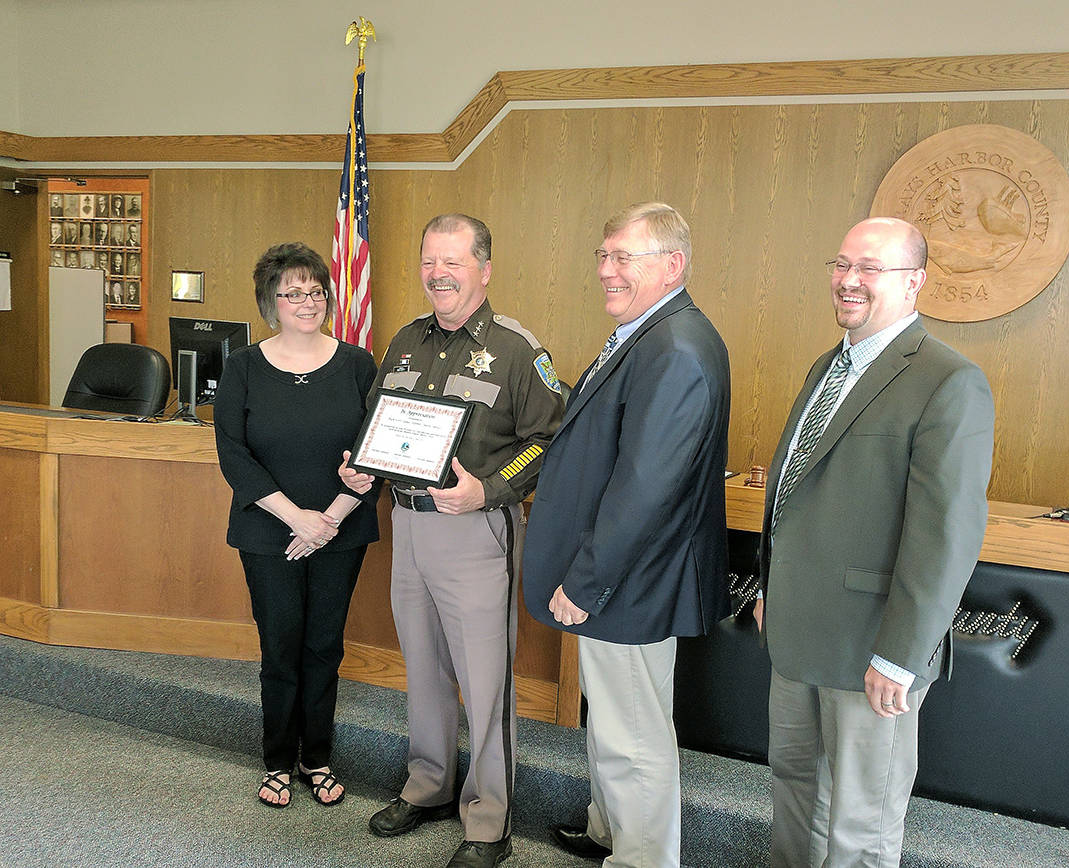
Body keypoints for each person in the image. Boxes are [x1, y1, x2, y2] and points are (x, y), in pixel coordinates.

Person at [757, 217, 994, 868]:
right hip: (800, 633)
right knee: (794, 799)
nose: (849, 280)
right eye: (841, 265)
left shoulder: (947, 380)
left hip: (874, 650)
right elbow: (798, 492)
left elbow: (945, 535)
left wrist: (901, 655)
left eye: (870, 268)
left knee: (860, 826)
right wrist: (773, 592)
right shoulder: (826, 367)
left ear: (915, 282)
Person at [339, 213, 564, 868]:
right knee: (425, 668)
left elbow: (552, 439)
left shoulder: (519, 350)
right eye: (429, 260)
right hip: (406, 525)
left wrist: (489, 490)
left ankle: (489, 821)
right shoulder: (406, 341)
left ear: (484, 271)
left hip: (474, 530)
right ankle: (430, 783)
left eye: (453, 262)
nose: (438, 273)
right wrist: (361, 463)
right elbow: (380, 425)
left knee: (484, 680)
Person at [522, 202, 731, 867]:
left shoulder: (676, 347)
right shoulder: (651, 333)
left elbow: (646, 487)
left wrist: (585, 579)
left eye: (624, 258)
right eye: (603, 256)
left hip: (627, 582)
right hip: (622, 578)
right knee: (612, 724)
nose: (607, 271)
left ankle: (641, 859)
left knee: (634, 737)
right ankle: (609, 829)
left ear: (672, 265)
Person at [214, 242, 380, 810]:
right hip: (269, 534)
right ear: (271, 303)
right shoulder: (242, 366)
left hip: (342, 529)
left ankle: (318, 758)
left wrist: (329, 520)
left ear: (329, 297)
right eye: (292, 293)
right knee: (280, 646)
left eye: (315, 291)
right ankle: (278, 761)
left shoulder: (359, 364)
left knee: (323, 647)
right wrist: (297, 519)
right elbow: (233, 455)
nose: (306, 301)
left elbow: (376, 452)